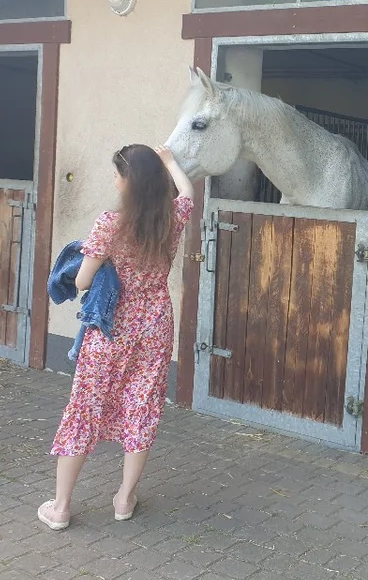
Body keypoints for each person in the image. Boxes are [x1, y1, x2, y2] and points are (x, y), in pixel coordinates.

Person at [38, 144, 194, 531]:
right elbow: (188, 194)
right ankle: (124, 500)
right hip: (155, 324)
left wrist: (97, 261)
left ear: (129, 182)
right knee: (142, 407)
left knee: (85, 409)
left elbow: (82, 280)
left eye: (116, 174)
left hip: (112, 329)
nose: (114, 179)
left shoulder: (110, 224)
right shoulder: (171, 219)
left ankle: (60, 508)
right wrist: (171, 162)